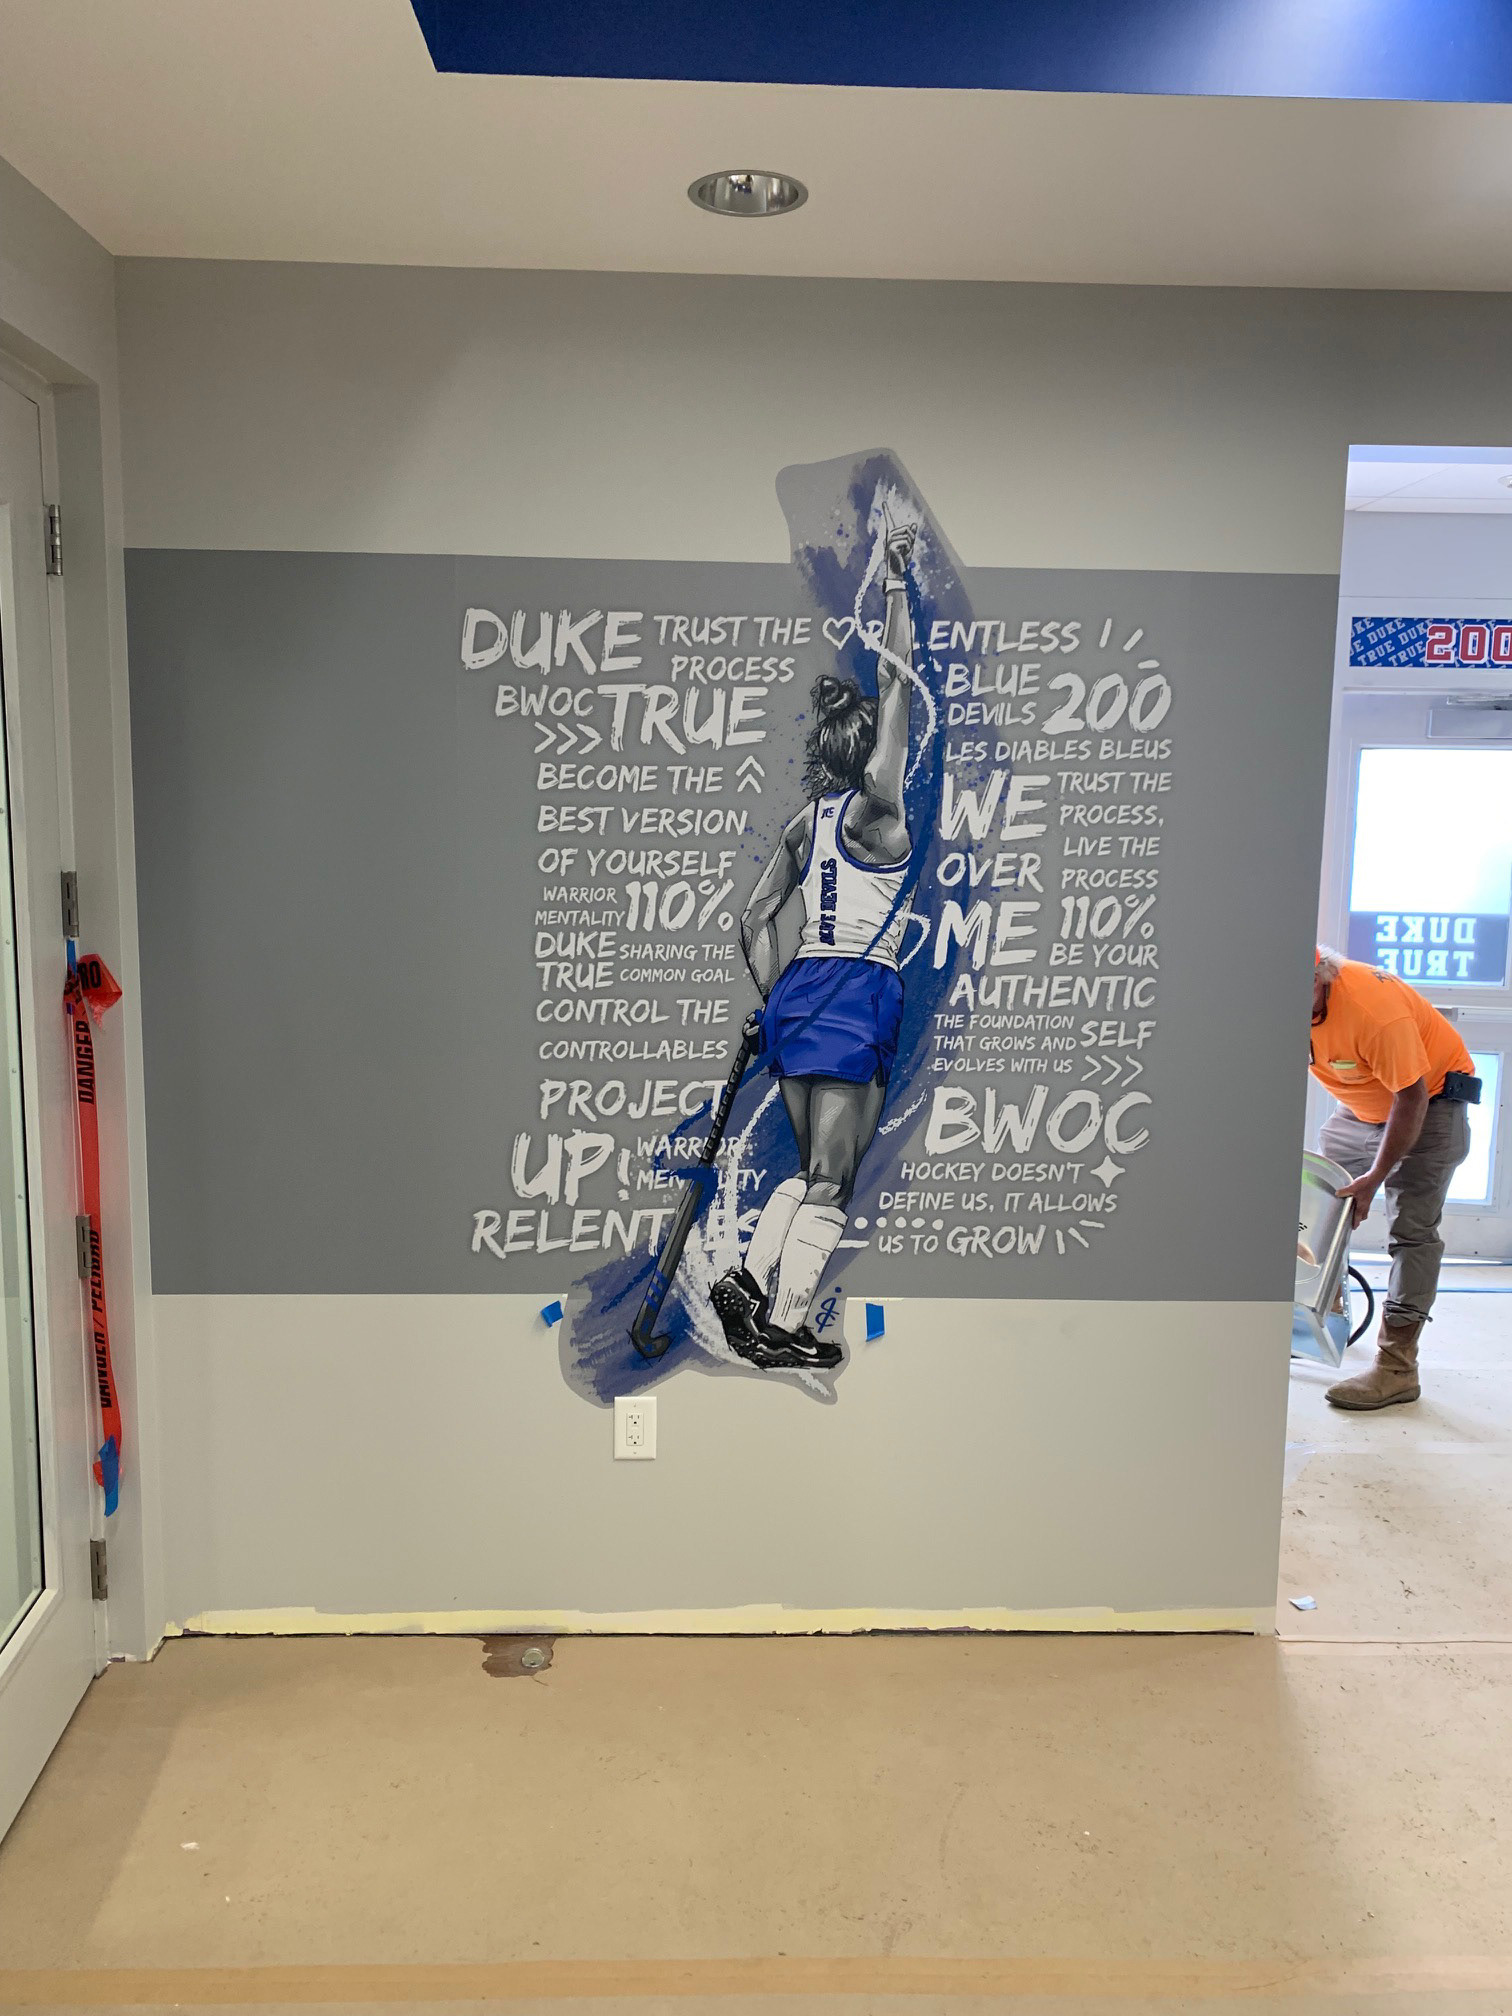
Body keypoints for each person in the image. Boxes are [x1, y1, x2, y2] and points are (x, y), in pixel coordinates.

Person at [710, 521, 918, 1373]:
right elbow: (901, 686)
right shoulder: (879, 809)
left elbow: (752, 920)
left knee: (811, 1167)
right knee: (835, 1177)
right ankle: (788, 1322)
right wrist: (900, 588)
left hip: (799, 992)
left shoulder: (811, 821)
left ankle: (750, 1282)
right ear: (870, 751)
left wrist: (770, 1004)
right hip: (857, 988)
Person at [1309, 946, 1478, 1410]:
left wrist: (1375, 1176)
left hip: (1431, 1104)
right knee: (1321, 1211)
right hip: (1361, 1107)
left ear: (1317, 978)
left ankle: (1397, 1367)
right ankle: (1321, 1322)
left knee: (1412, 1232)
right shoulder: (1282, 1005)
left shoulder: (1371, 1010)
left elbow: (1412, 1097)